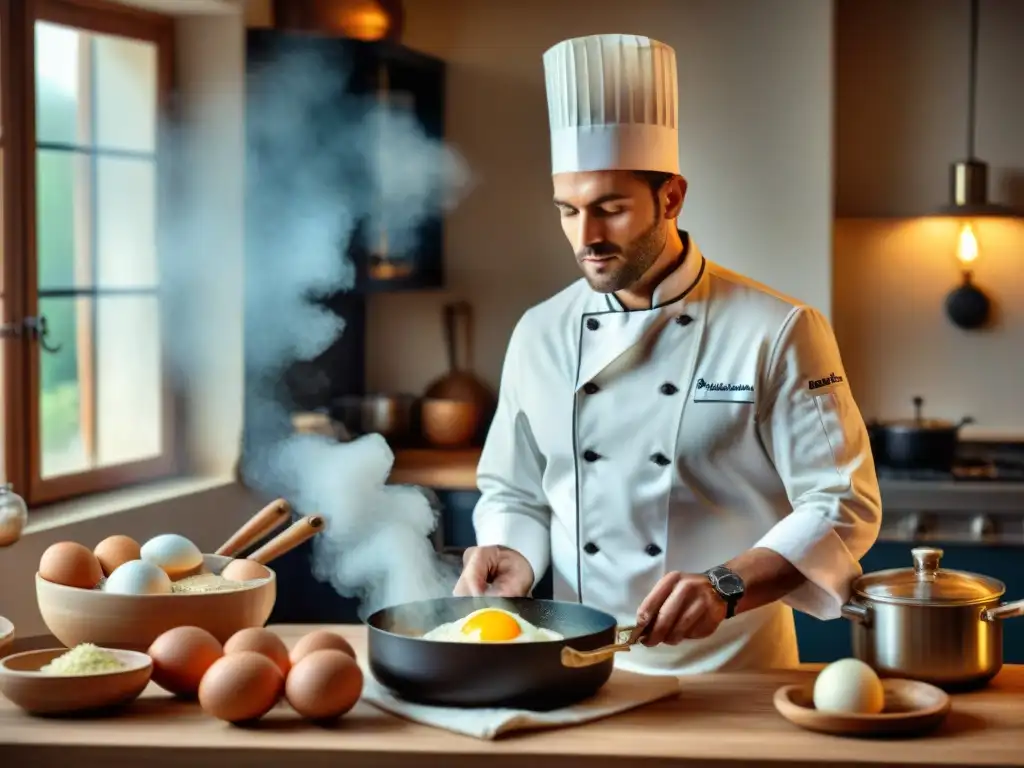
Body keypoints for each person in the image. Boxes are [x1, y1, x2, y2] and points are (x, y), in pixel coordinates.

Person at [453, 33, 882, 675]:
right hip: (581, 668)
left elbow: (841, 502)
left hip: (735, 678)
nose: (587, 237)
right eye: (568, 211)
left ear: (672, 197)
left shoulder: (779, 329)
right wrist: (511, 551)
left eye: (611, 209)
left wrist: (726, 585)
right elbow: (515, 490)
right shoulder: (539, 332)